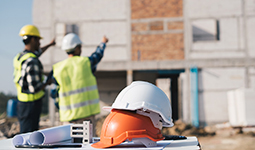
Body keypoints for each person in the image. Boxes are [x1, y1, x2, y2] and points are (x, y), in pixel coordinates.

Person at [49, 33, 108, 129]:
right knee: (87, 143)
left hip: (68, 119)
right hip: (87, 117)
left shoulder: (57, 69)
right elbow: (97, 55)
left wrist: (62, 109)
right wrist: (103, 43)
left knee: (70, 143)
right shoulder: (85, 62)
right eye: (80, 47)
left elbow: (53, 93)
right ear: (76, 48)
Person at [13, 25, 55, 133]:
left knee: (25, 134)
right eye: (38, 40)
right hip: (31, 105)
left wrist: (50, 45)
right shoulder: (32, 61)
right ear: (33, 39)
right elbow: (35, 88)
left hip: (22, 103)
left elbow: (38, 52)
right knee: (29, 138)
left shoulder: (20, 57)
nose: (39, 43)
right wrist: (47, 82)